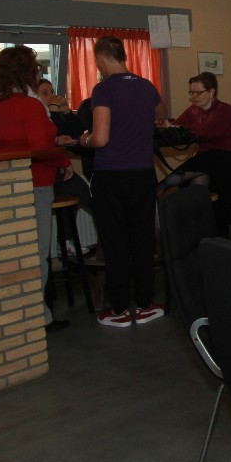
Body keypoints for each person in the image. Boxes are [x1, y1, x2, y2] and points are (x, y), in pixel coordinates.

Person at [78, 36, 166, 328]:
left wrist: (84, 139)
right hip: (143, 175)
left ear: (101, 59)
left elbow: (101, 138)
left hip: (111, 176)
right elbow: (161, 114)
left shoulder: (103, 89)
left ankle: (118, 310)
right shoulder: (146, 86)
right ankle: (145, 305)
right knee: (142, 239)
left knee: (115, 242)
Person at [0, 45, 75, 334]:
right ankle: (40, 318)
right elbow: (40, 149)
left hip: (8, 184)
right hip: (36, 183)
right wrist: (63, 160)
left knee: (17, 252)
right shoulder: (30, 105)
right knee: (38, 255)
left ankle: (22, 314)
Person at [169, 71, 231, 233]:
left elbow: (208, 131)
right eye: (191, 92)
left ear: (211, 92)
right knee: (198, 177)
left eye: (198, 92)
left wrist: (182, 127)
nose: (194, 96)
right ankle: (200, 227)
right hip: (210, 158)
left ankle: (164, 185)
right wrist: (171, 127)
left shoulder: (225, 109)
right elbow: (178, 126)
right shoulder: (193, 110)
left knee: (207, 164)